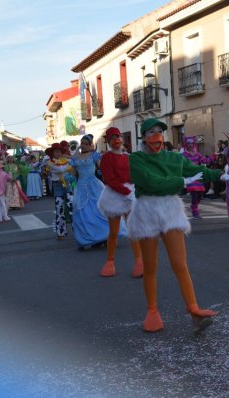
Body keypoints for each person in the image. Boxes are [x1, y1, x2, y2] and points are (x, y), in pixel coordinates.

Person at [127, 118, 221, 334]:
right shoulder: (136, 159)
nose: (157, 137)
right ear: (143, 136)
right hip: (147, 211)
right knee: (150, 267)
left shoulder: (173, 157)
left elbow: (194, 170)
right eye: (151, 132)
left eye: (160, 132)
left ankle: (194, 309)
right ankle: (152, 311)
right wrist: (180, 182)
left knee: (180, 264)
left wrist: (220, 175)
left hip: (170, 210)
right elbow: (150, 182)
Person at [97, 127, 143, 278]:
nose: (116, 140)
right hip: (114, 196)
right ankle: (110, 261)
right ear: (109, 142)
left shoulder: (128, 157)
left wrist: (134, 185)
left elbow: (132, 174)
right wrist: (125, 190)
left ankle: (139, 261)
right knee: (114, 232)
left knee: (132, 229)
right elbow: (109, 179)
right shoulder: (106, 157)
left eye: (118, 137)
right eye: (113, 138)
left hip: (129, 194)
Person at [71, 134, 121, 250]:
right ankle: (85, 239)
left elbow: (102, 168)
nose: (83, 146)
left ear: (90, 145)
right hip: (81, 187)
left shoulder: (94, 155)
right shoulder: (75, 158)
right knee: (82, 212)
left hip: (94, 186)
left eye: (85, 144)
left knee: (99, 211)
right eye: (82, 143)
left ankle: (104, 236)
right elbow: (73, 173)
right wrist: (69, 176)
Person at [46, 142, 74, 239]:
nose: (58, 153)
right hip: (57, 185)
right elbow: (61, 169)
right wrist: (68, 164)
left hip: (67, 184)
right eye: (56, 152)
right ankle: (60, 232)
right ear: (52, 153)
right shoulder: (50, 162)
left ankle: (77, 229)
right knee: (59, 208)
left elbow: (71, 165)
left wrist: (69, 162)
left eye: (60, 152)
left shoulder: (65, 160)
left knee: (72, 206)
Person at [181, 136, 212, 219]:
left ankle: (194, 207)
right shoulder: (183, 155)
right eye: (188, 143)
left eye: (191, 143)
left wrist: (213, 156)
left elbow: (205, 161)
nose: (190, 145)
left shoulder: (197, 154)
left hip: (198, 177)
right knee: (194, 195)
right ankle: (195, 212)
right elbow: (179, 165)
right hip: (190, 177)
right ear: (186, 144)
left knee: (200, 196)